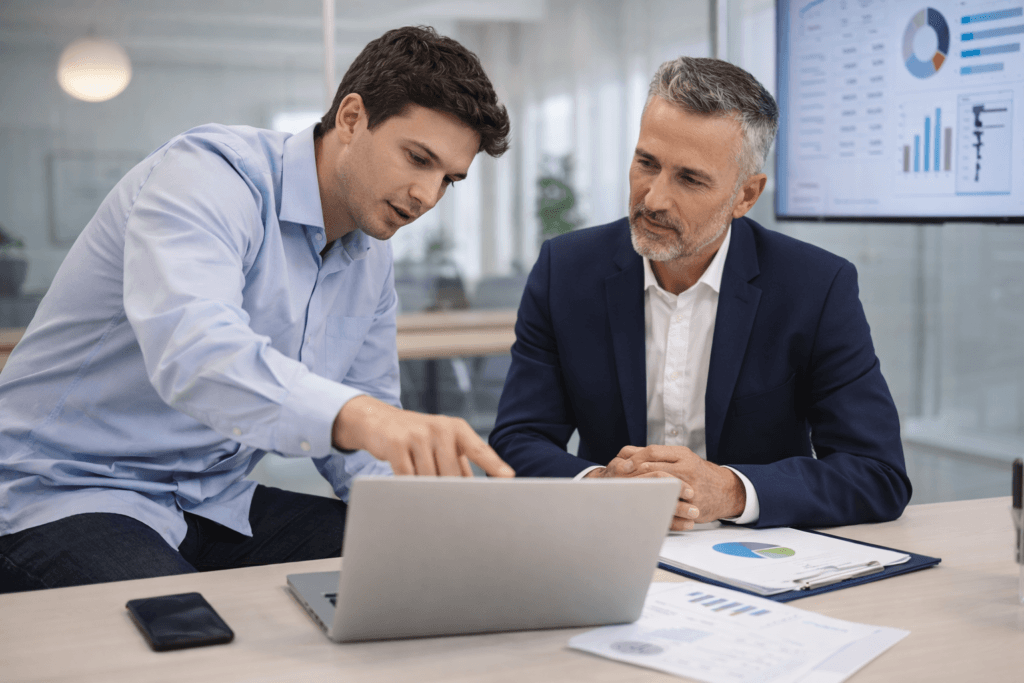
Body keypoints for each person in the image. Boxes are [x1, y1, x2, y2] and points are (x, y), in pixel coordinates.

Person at [0, 26, 514, 593]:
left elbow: (368, 453)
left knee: (427, 567)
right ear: (350, 118)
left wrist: (449, 521)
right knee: (186, 639)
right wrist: (363, 417)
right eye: (417, 158)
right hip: (62, 494)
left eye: (449, 180)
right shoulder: (209, 176)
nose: (426, 196)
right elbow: (196, 353)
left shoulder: (369, 256)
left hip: (212, 501)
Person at [489, 57, 911, 531]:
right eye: (646, 163)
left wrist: (729, 491)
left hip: (760, 562)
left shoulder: (814, 287)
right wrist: (599, 485)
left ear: (746, 196)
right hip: (608, 544)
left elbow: (877, 474)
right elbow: (517, 441)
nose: (653, 199)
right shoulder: (565, 270)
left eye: (689, 179)